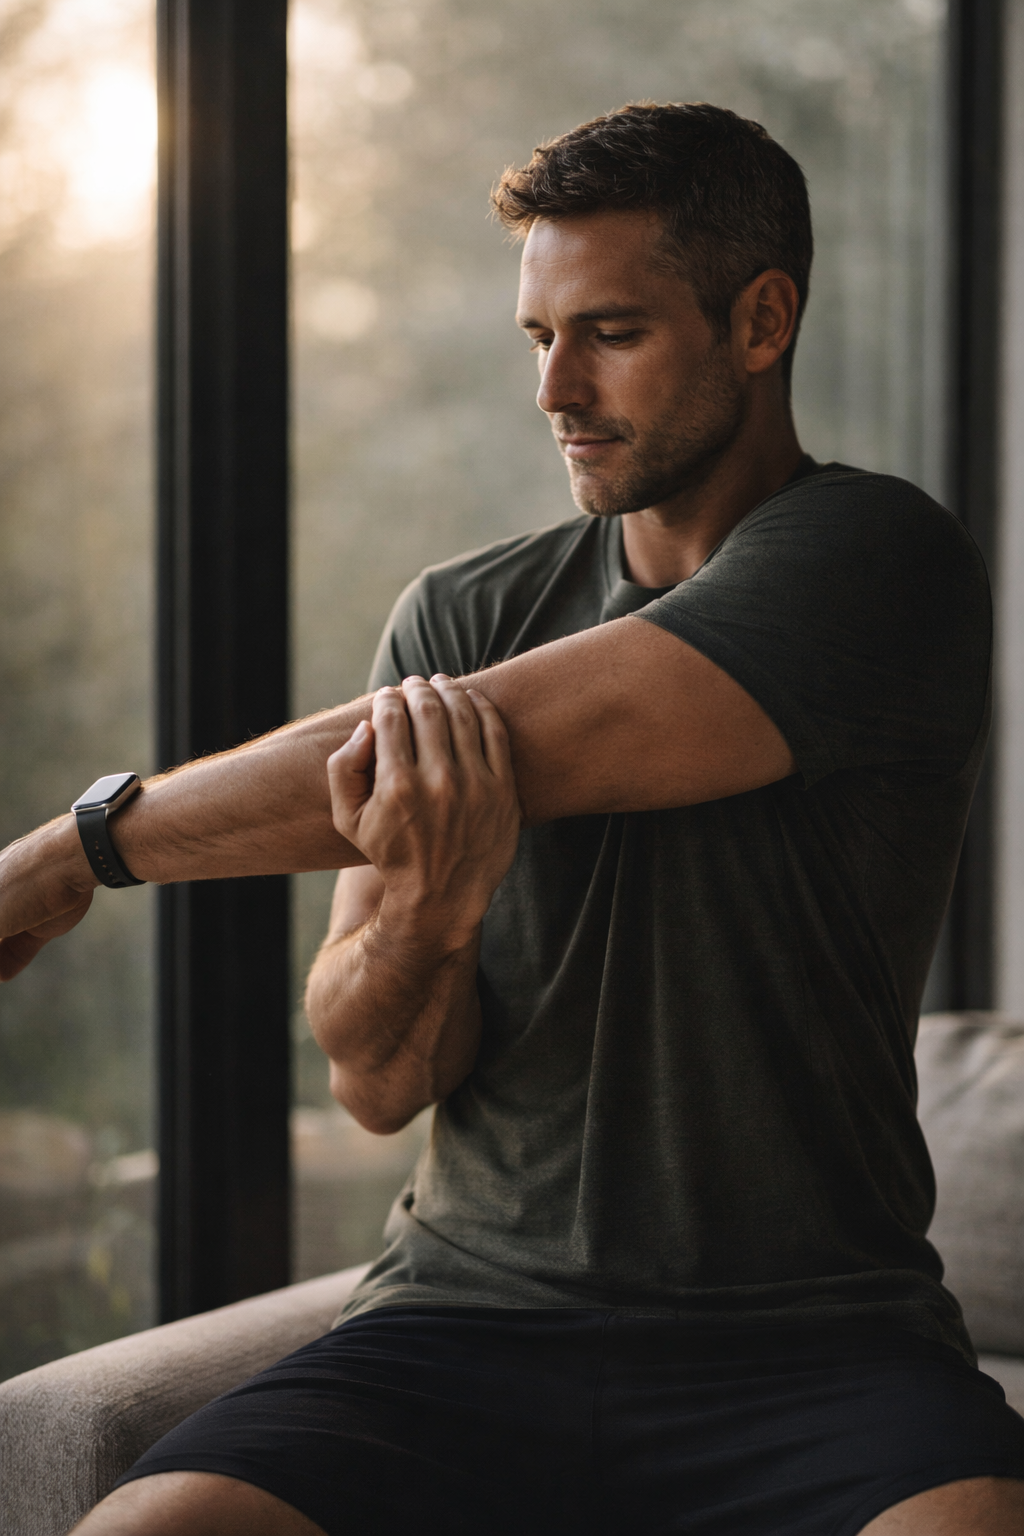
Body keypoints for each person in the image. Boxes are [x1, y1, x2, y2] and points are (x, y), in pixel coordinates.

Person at [2, 102, 1022, 1534]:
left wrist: (70, 852)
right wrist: (430, 905)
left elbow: (487, 739)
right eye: (540, 339)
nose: (557, 389)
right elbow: (372, 1082)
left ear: (762, 320)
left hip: (817, 1347)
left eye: (609, 331)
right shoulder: (461, 613)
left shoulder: (883, 558)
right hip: (464, 1329)